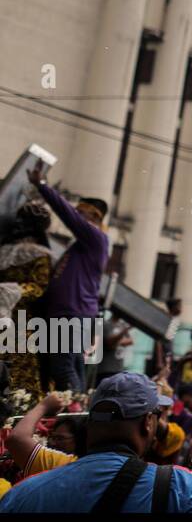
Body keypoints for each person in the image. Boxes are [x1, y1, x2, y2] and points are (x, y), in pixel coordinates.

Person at [0, 372, 192, 512]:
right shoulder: (180, 489)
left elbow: (16, 440)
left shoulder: (21, 495)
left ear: (90, 422)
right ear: (148, 422)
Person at [26, 165, 109, 393]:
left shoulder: (97, 238)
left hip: (73, 314)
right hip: (68, 313)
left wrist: (41, 185)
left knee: (63, 369)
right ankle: (77, 415)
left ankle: (73, 419)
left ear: (94, 216)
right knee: (71, 366)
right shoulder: (79, 247)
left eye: (81, 212)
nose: (77, 215)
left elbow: (68, 217)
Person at [0, 199, 54, 397]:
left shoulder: (40, 254)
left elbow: (39, 286)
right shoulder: (4, 251)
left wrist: (13, 291)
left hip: (21, 318)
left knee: (20, 361)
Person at [93, 312, 134, 388]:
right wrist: (123, 332)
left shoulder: (122, 325)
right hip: (106, 368)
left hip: (118, 368)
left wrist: (117, 342)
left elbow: (130, 341)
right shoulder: (106, 324)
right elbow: (109, 343)